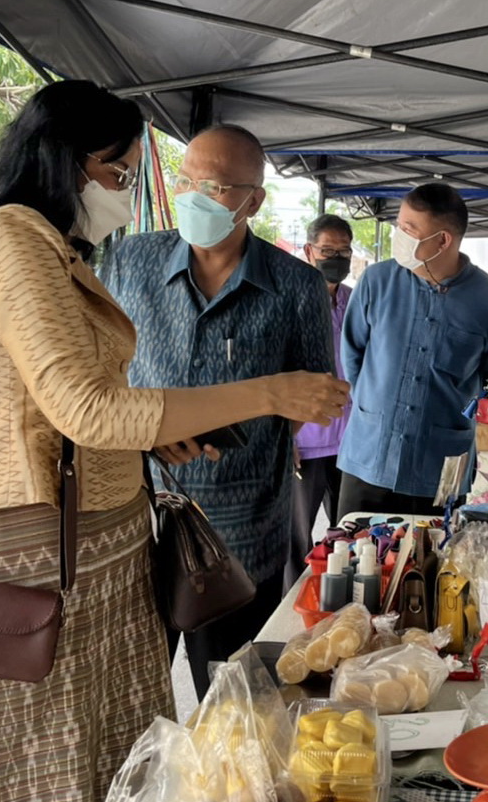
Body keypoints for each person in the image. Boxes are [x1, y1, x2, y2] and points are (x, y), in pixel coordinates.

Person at [0, 83, 347, 801]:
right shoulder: (18, 238)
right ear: (64, 159)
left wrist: (146, 441)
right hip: (48, 548)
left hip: (175, 528)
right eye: (120, 173)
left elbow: (71, 406)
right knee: (49, 759)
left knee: (140, 736)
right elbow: (89, 407)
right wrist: (268, 392)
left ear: (253, 201)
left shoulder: (64, 249)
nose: (128, 192)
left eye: (132, 176)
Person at [107, 124, 336, 698]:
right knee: (130, 698)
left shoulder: (297, 286)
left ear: (253, 201)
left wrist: (234, 425)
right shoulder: (128, 261)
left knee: (234, 700)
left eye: (214, 187)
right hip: (136, 515)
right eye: (186, 181)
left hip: (242, 533)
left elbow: (311, 398)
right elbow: (96, 377)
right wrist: (151, 432)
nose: (194, 196)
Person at [337, 183, 488, 517]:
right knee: (352, 545)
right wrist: (371, 405)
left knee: (437, 549)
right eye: (399, 226)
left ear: (442, 240)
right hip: (368, 456)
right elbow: (352, 352)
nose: (399, 237)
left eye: (409, 229)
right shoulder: (376, 281)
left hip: (442, 467)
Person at [287, 213, 355, 588]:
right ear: (309, 251)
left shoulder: (354, 301)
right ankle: (290, 612)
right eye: (328, 250)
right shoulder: (291, 300)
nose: (336, 258)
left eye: (343, 251)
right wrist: (286, 437)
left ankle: (342, 606)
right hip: (306, 441)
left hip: (350, 443)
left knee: (350, 537)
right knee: (297, 541)